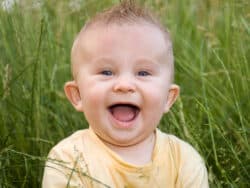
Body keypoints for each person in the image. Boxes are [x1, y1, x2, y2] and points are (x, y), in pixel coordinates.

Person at [42, 1, 209, 187]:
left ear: (168, 98)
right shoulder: (67, 159)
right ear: (77, 95)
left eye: (143, 73)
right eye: (106, 72)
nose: (124, 85)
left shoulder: (184, 161)